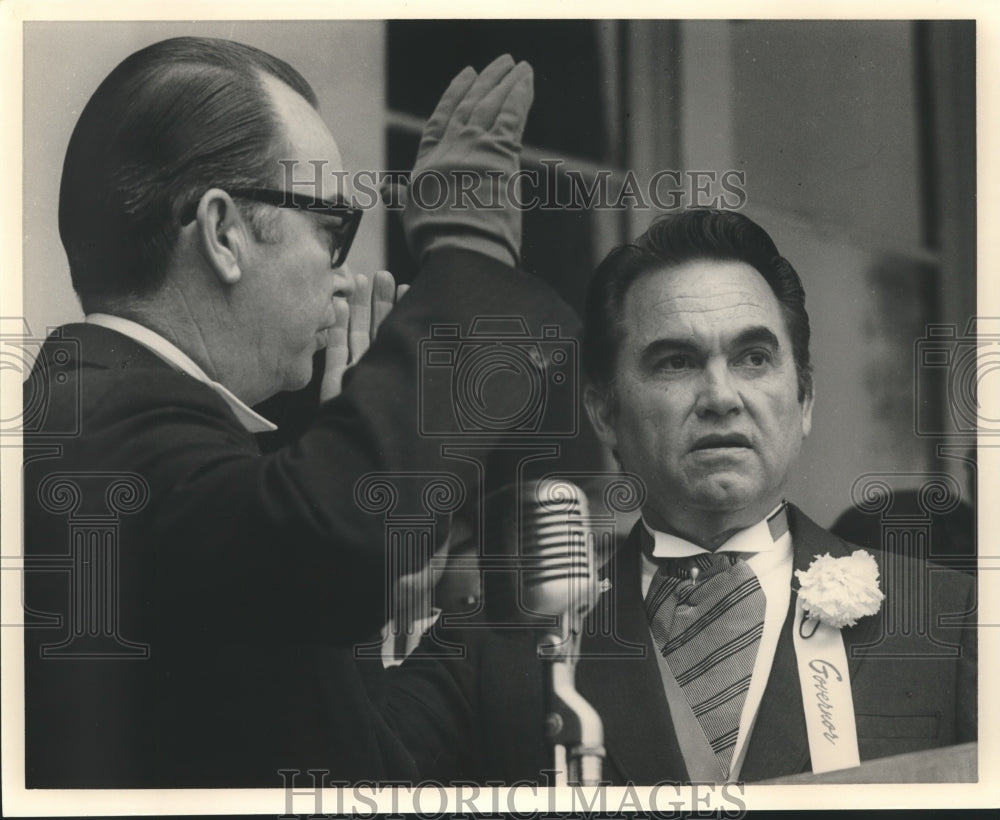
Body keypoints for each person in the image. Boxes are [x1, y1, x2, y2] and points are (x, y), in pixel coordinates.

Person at [22, 37, 577, 788]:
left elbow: (337, 742)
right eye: (332, 228)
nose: (343, 273)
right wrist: (468, 252)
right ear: (223, 233)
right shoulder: (98, 414)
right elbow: (326, 542)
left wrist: (368, 470)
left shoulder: (135, 424)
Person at [386, 209, 977, 784]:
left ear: (805, 399)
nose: (721, 396)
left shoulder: (956, 623)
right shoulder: (496, 641)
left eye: (753, 357)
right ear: (604, 412)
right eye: (676, 361)